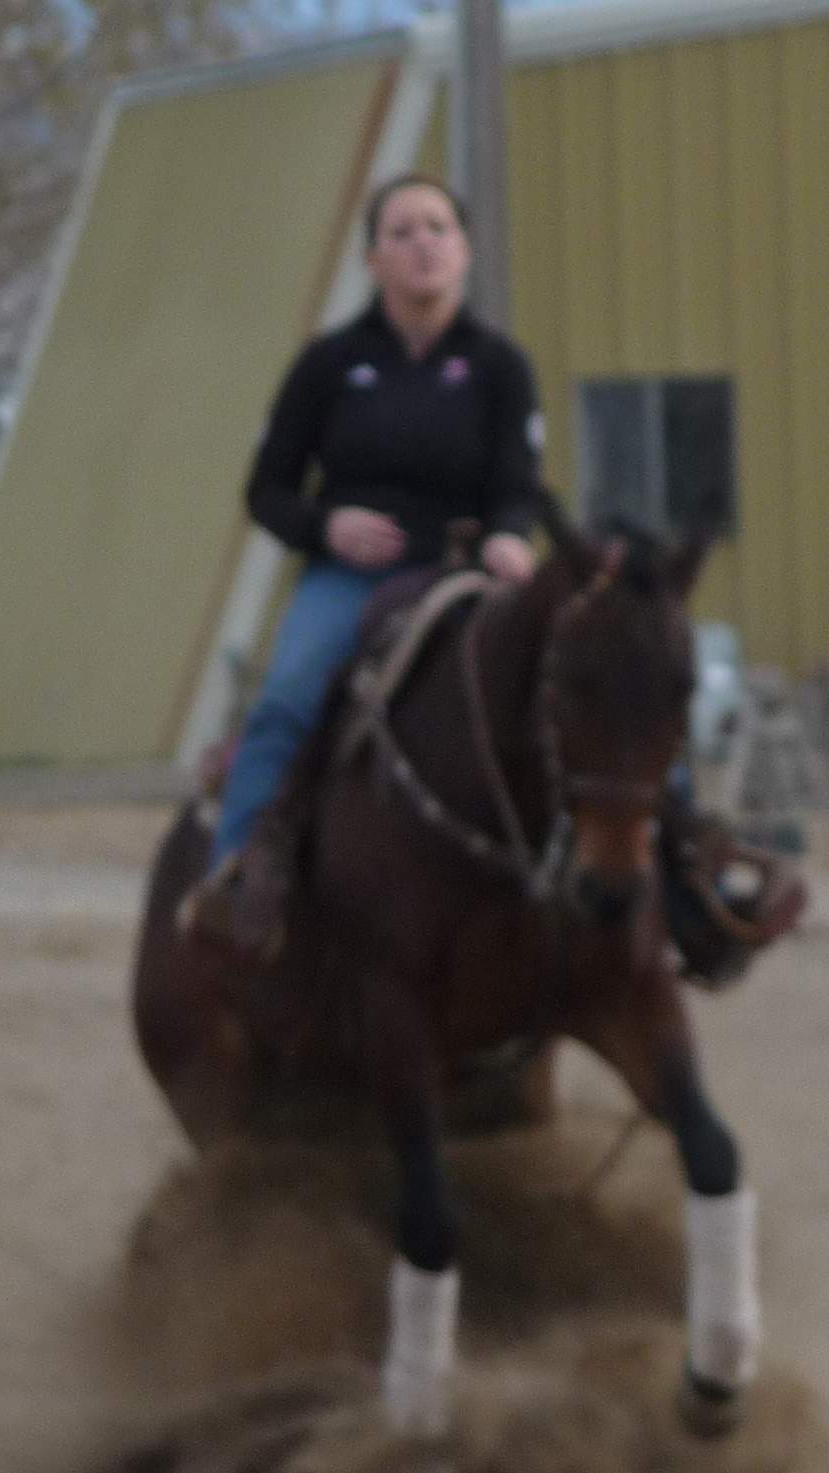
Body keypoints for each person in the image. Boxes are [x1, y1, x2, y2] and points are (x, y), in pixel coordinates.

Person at [181, 173, 544, 955]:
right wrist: (326, 525)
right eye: (402, 232)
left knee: (583, 682)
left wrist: (511, 534)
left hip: (465, 576)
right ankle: (236, 878)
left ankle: (667, 879)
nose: (423, 245)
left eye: (438, 228)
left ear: (465, 248)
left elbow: (518, 486)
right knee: (285, 701)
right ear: (372, 259)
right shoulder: (328, 364)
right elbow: (266, 490)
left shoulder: (500, 366)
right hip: (352, 580)